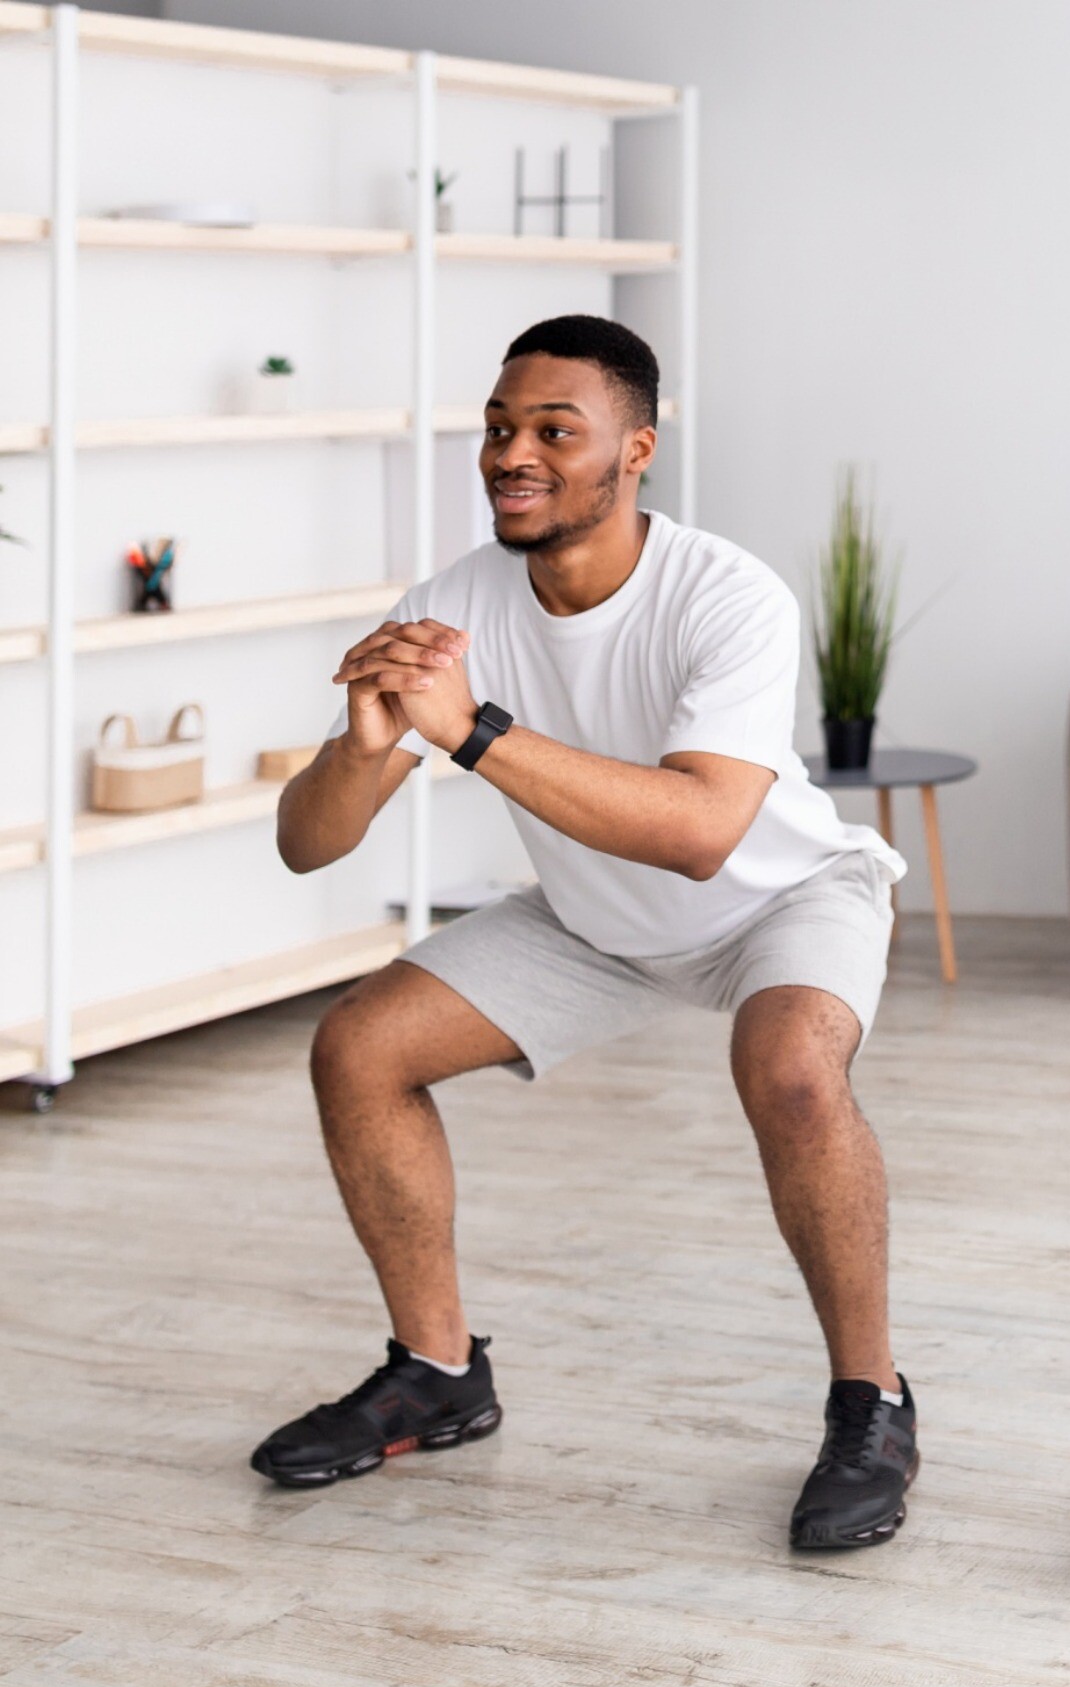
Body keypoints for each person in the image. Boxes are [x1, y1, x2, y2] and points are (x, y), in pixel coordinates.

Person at [251, 315, 919, 1553]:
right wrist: (359, 744)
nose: (516, 453)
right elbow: (308, 844)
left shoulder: (727, 595)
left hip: (782, 896)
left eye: (557, 431)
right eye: (501, 428)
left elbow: (707, 830)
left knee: (789, 1072)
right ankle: (438, 1371)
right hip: (597, 918)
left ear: (637, 451)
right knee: (359, 1048)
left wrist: (469, 731)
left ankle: (871, 1402)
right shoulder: (454, 605)